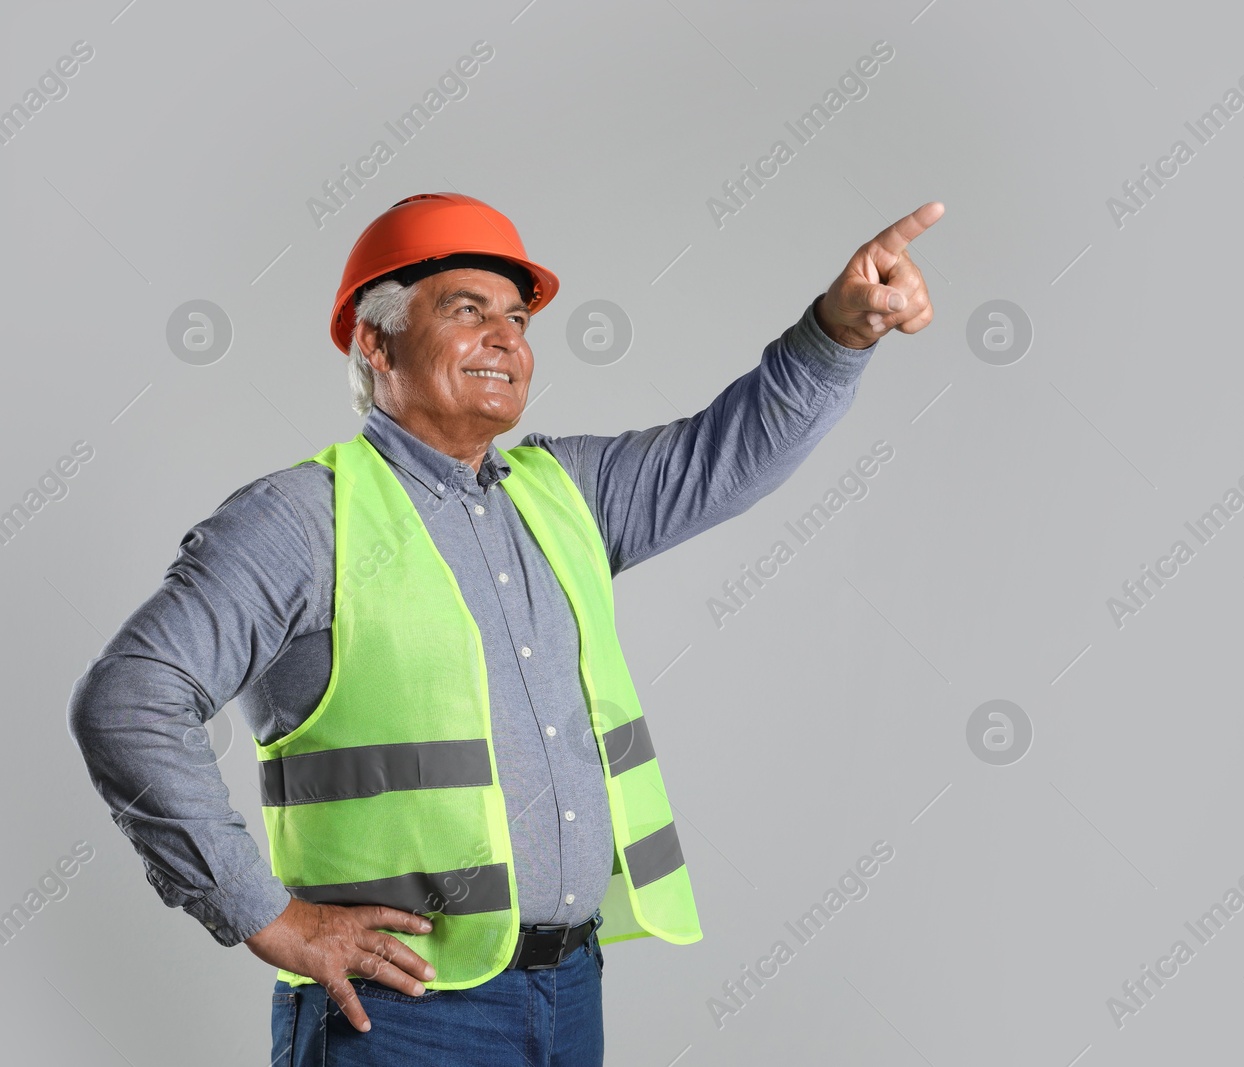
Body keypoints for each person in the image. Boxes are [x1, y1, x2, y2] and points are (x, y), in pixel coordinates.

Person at [66, 191, 942, 1065]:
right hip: (400, 1017)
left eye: (518, 319)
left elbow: (723, 451)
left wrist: (839, 334)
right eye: (466, 310)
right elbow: (128, 700)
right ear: (375, 342)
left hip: (568, 996)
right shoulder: (303, 520)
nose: (506, 339)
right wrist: (264, 914)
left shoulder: (564, 492)